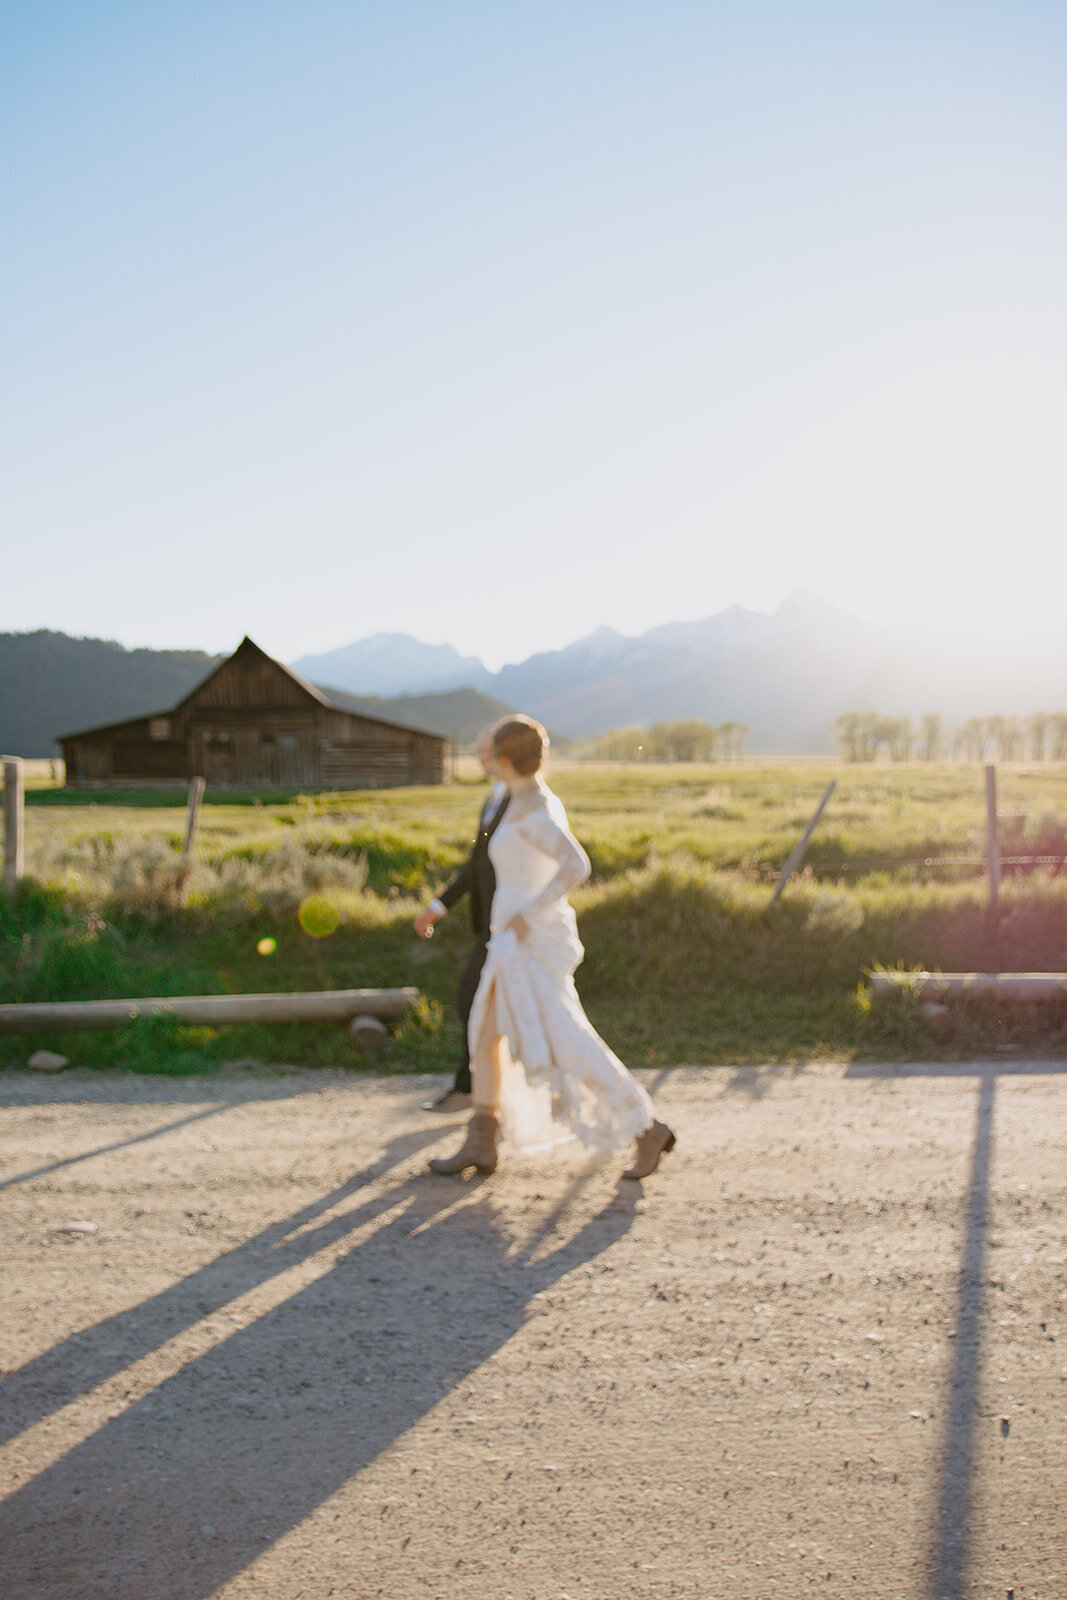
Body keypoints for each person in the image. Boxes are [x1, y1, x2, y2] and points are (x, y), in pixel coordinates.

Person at [429, 715, 675, 1181]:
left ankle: (648, 1128)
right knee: (484, 1032)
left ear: (505, 760)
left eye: (490, 754)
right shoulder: (515, 797)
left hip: (529, 941)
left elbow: (576, 864)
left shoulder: (536, 807)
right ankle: (481, 1139)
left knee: (566, 1041)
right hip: (507, 940)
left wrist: (532, 909)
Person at [413, 725, 510, 1113]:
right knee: (481, 1004)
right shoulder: (494, 797)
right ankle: (482, 1092)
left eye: (485, 752)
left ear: (504, 755)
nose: (479, 759)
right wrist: (438, 906)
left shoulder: (522, 801)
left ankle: (474, 1090)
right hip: (491, 922)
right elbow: (476, 867)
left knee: (474, 999)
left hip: (509, 924)